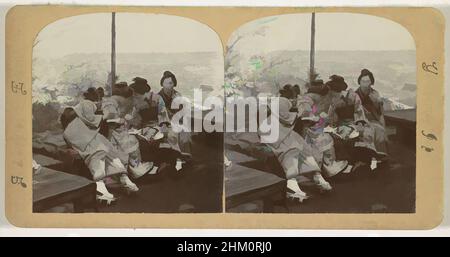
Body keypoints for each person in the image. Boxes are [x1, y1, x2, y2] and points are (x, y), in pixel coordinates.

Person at [60, 88, 138, 204]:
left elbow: (91, 121)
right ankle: (104, 189)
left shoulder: (82, 109)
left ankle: (122, 180)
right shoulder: (87, 104)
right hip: (82, 135)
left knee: (108, 150)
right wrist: (104, 116)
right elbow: (91, 119)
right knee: (98, 152)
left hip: (85, 134)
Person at [261, 84, 333, 203]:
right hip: (273, 131)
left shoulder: (286, 101)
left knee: (303, 147)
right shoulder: (280, 101)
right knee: (291, 149)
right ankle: (292, 183)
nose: (295, 99)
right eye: (294, 96)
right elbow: (285, 116)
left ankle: (316, 176)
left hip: (284, 130)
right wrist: (298, 115)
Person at [326, 75, 378, 170]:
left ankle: (370, 159)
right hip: (341, 124)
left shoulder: (353, 96)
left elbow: (358, 110)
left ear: (338, 90)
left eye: (333, 93)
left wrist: (359, 123)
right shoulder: (334, 101)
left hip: (355, 121)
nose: (332, 95)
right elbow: (331, 117)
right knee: (340, 135)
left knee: (365, 133)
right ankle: (349, 162)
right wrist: (331, 124)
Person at [102, 82, 152, 179]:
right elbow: (108, 118)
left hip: (123, 129)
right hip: (112, 131)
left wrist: (129, 120)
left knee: (132, 140)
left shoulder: (130, 100)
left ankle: (135, 166)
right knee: (125, 144)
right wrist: (119, 120)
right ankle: (122, 172)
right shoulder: (111, 102)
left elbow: (136, 108)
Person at [355, 69, 388, 163]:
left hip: (373, 120)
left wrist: (376, 102)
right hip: (360, 120)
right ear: (359, 82)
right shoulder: (355, 94)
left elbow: (380, 113)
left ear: (371, 82)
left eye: (368, 81)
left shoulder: (375, 94)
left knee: (379, 129)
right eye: (363, 81)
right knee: (366, 131)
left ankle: (379, 156)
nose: (365, 84)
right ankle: (367, 157)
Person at [158, 71, 192, 159]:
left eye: (170, 83)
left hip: (178, 121)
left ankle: (184, 157)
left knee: (184, 134)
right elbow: (159, 114)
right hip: (163, 122)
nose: (168, 86)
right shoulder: (158, 97)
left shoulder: (178, 95)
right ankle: (172, 157)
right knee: (169, 135)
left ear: (174, 84)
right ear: (162, 84)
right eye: (165, 83)